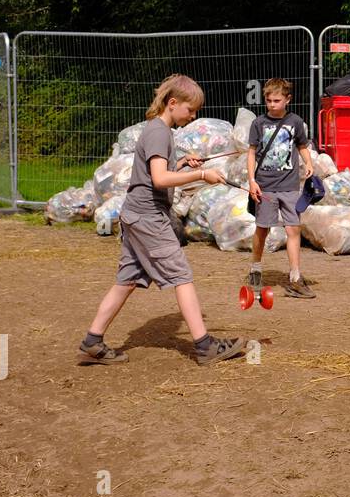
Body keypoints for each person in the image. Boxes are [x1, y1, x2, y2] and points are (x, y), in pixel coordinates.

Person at [78, 74, 246, 366]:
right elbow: (159, 179)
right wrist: (201, 175)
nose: (193, 115)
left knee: (127, 281)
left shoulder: (160, 131)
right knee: (182, 277)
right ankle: (205, 347)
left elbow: (158, 170)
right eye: (190, 109)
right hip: (148, 217)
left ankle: (93, 341)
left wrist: (182, 163)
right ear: (172, 103)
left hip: (135, 214)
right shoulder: (158, 132)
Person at [246, 78, 315, 298]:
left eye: (277, 100)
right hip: (265, 186)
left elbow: (302, 145)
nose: (272, 104)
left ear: (288, 99)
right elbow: (251, 153)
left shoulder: (295, 122)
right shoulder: (258, 123)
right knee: (262, 228)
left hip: (290, 186)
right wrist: (251, 180)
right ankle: (255, 268)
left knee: (293, 229)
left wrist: (309, 163)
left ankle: (295, 276)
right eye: (268, 100)